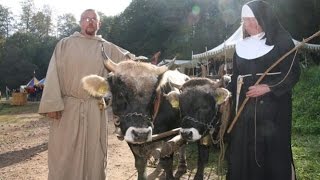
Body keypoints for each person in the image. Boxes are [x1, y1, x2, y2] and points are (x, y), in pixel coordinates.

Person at [38, 9, 135, 180]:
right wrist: (53, 104)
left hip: (94, 109)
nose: (90, 22)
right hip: (68, 109)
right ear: (80, 22)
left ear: (99, 24)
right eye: (86, 19)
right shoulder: (65, 44)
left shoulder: (107, 47)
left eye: (94, 19)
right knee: (64, 153)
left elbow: (129, 62)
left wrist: (147, 64)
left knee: (95, 153)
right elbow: (53, 73)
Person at [226, 1, 300, 180]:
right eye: (245, 20)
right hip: (245, 110)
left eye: (253, 19)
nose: (249, 24)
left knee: (272, 151)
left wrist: (268, 87)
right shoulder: (240, 46)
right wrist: (225, 93)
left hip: (275, 109)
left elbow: (293, 73)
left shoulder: (282, 41)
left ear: (263, 18)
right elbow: (236, 76)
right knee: (244, 149)